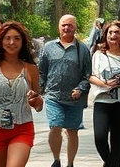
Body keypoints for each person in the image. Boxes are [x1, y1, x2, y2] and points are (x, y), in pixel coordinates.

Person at [0, 21, 43, 167]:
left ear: (23, 41)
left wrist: (36, 101)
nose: (12, 42)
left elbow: (38, 105)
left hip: (22, 128)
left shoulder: (31, 68)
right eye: (7, 38)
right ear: (0, 41)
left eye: (17, 38)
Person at [39, 15, 92, 167]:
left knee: (72, 130)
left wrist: (80, 89)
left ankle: (70, 163)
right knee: (55, 125)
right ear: (59, 26)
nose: (66, 28)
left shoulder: (83, 50)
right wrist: (38, 90)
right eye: (63, 25)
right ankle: (56, 160)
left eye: (69, 25)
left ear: (75, 27)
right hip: (53, 96)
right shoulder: (48, 47)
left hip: (74, 99)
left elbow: (87, 75)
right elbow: (41, 72)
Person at [89, 21, 120, 167]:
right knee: (100, 137)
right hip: (102, 100)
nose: (113, 35)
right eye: (110, 32)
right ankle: (110, 163)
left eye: (116, 32)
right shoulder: (98, 55)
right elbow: (91, 76)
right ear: (106, 36)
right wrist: (105, 84)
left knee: (116, 139)